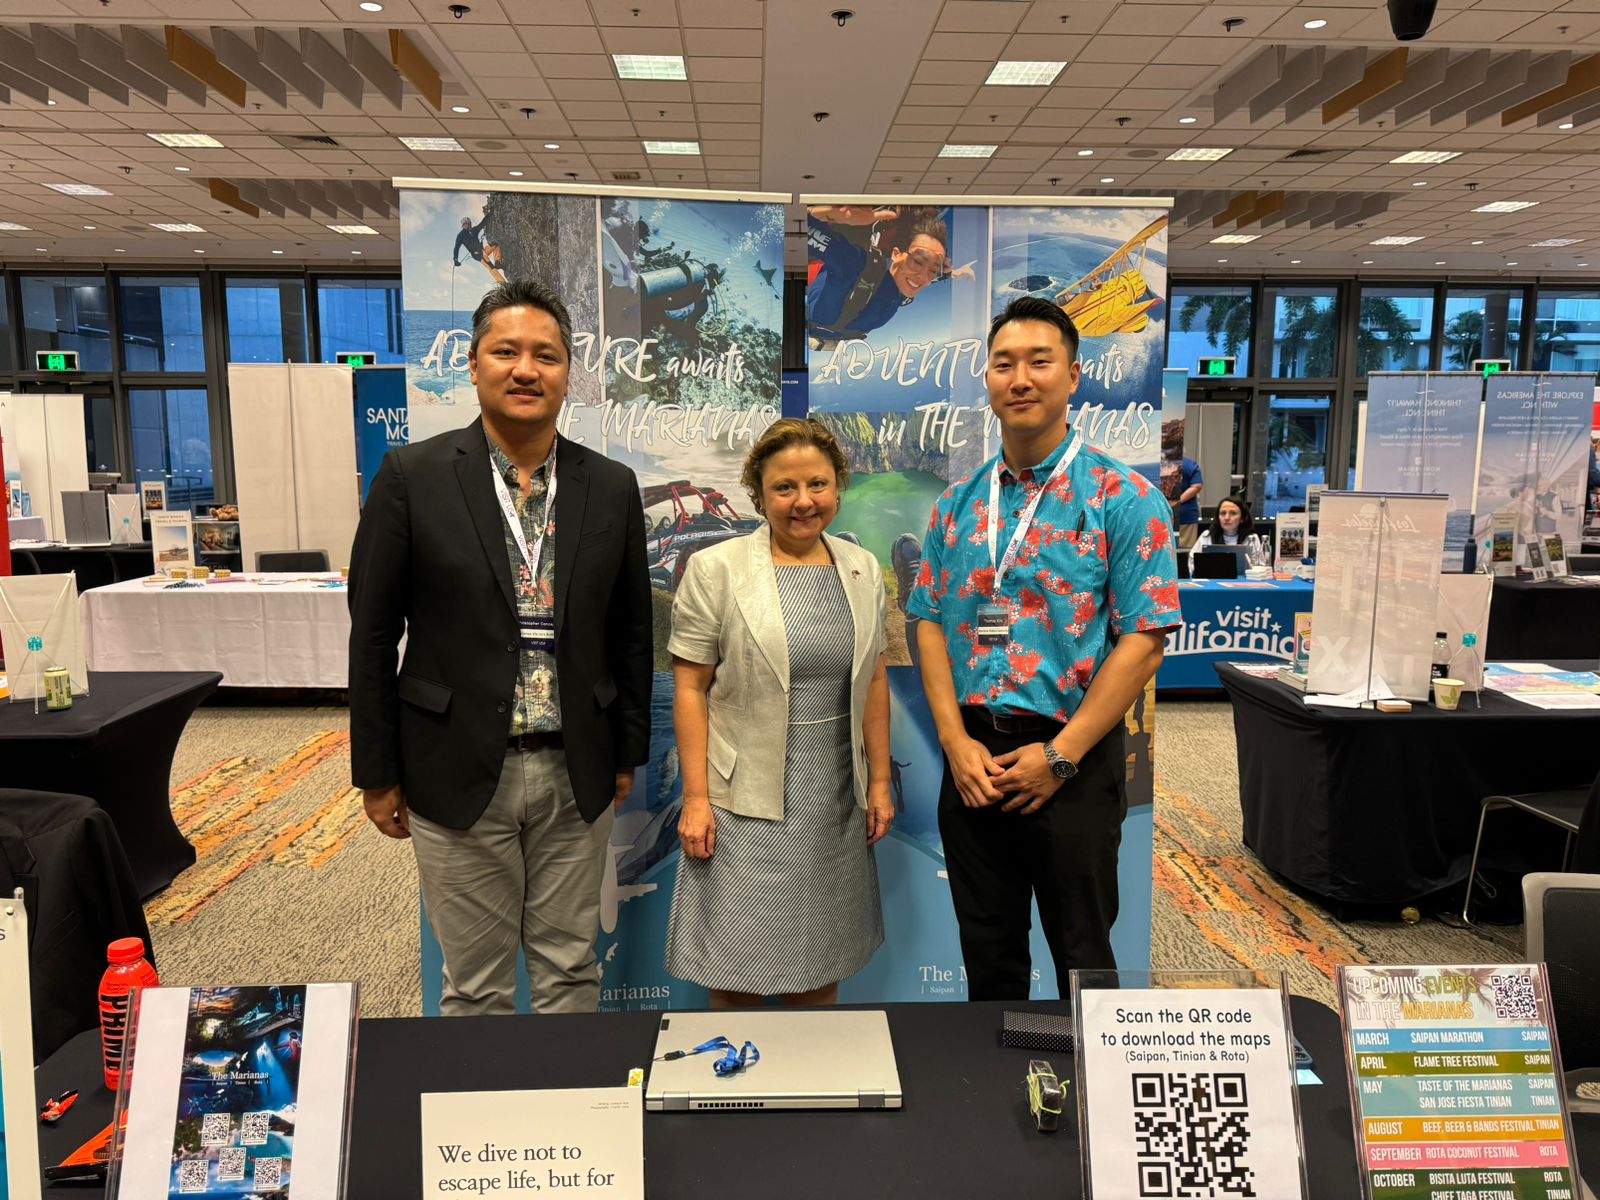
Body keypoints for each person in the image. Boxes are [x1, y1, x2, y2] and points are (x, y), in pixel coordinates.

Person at [348, 279, 652, 1015]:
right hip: (453, 766)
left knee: (570, 972)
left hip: (574, 766)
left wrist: (625, 753)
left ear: (567, 373)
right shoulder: (412, 478)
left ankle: (571, 1124)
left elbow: (632, 630)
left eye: (545, 355)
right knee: (476, 986)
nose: (526, 369)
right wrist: (377, 771)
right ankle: (481, 1130)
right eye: (506, 351)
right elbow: (373, 633)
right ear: (474, 365)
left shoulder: (610, 486)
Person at [906, 296, 1182, 999]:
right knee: (988, 957)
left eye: (1039, 361)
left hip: (1073, 761)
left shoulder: (1124, 498)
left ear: (1073, 376)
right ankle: (987, 1102)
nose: (1020, 378)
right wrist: (953, 743)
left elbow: (1145, 640)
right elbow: (929, 621)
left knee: (1083, 959)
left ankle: (1091, 1103)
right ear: (988, 379)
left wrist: (1060, 758)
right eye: (1004, 364)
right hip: (974, 762)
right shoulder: (959, 503)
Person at [664, 418, 893, 1008]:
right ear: (759, 495)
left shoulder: (862, 571)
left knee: (821, 965)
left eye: (817, 485)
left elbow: (872, 682)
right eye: (784, 489)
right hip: (741, 806)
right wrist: (695, 799)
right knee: (740, 975)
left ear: (838, 488)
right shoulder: (717, 569)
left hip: (832, 799)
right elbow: (689, 688)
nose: (802, 502)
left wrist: (881, 782)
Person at [805, 205, 971, 344]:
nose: (924, 278)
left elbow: (917, 278)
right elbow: (798, 230)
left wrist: (948, 274)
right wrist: (817, 214)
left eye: (932, 269)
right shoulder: (853, 262)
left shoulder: (898, 287)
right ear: (896, 253)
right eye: (918, 262)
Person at [1188, 493, 1256, 573]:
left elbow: (1260, 568)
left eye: (1233, 513)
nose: (1226, 518)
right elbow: (1191, 564)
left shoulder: (1251, 538)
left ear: (1242, 518)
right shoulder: (1207, 536)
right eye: (1223, 513)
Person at [453, 214, 505, 281]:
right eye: (466, 224)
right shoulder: (460, 236)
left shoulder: (474, 230)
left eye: (469, 223)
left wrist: (490, 213)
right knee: (491, 267)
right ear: (464, 225)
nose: (469, 225)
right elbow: (456, 248)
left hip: (483, 251)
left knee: (495, 245)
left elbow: (482, 224)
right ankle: (504, 284)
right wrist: (455, 259)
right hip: (478, 255)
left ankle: (497, 262)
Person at [1169, 454, 1204, 548]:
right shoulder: (1190, 464)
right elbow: (1197, 486)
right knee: (1185, 553)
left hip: (1172, 516)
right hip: (1186, 515)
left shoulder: (1162, 465)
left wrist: (1176, 502)